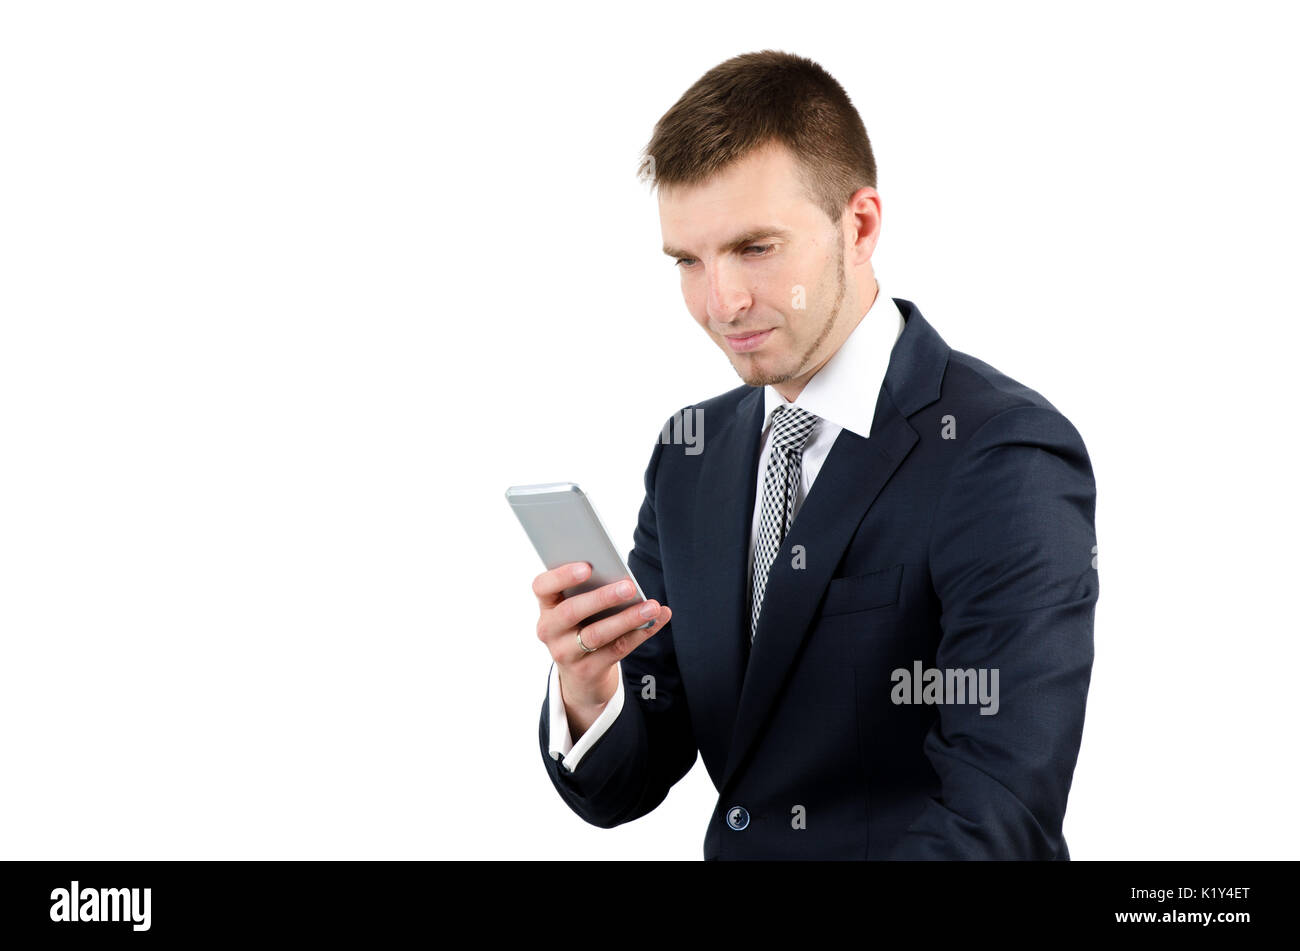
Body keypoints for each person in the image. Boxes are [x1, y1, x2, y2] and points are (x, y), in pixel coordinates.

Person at [531, 49, 1098, 859]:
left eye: (755, 248)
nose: (719, 302)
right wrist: (591, 686)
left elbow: (998, 816)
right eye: (689, 261)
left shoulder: (1003, 452)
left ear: (859, 225)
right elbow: (632, 773)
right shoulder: (691, 453)